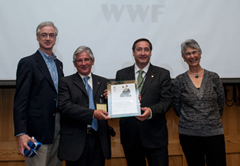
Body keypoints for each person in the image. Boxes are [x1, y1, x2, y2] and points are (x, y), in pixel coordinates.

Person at [113, 38, 172, 166]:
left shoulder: (162, 74)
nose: (143, 53)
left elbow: (167, 101)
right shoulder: (122, 74)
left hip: (155, 136)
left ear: (151, 53)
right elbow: (119, 102)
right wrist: (111, 97)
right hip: (131, 136)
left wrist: (151, 111)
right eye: (139, 49)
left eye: (146, 50)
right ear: (133, 52)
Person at [13, 21, 64, 166]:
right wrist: (22, 133)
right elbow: (20, 101)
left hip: (58, 128)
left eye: (51, 35)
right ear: (37, 37)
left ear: (55, 38)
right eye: (44, 35)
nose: (48, 38)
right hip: (36, 132)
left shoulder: (58, 64)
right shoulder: (27, 63)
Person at [172, 39, 226, 166]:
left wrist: (209, 121)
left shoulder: (214, 77)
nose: (192, 56)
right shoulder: (180, 80)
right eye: (188, 54)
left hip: (214, 133)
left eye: (194, 52)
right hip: (189, 135)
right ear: (183, 58)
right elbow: (176, 106)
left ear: (200, 53)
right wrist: (192, 121)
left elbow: (221, 104)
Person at [57, 46, 114, 166]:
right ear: (74, 63)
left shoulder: (104, 82)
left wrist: (113, 100)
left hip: (99, 140)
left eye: (87, 60)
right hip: (75, 142)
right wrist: (93, 114)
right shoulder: (66, 82)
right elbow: (64, 107)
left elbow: (111, 110)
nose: (83, 63)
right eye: (79, 60)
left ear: (92, 61)